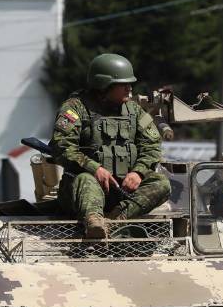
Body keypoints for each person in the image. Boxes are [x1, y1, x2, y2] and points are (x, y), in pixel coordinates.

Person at [50, 53, 171, 238]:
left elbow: (152, 143)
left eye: (130, 84)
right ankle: (94, 223)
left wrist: (138, 171)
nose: (129, 89)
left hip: (123, 191)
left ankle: (116, 221)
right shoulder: (74, 108)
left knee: (161, 183)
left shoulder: (135, 110)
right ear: (104, 85)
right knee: (85, 180)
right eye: (124, 84)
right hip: (83, 190)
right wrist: (94, 168)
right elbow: (61, 145)